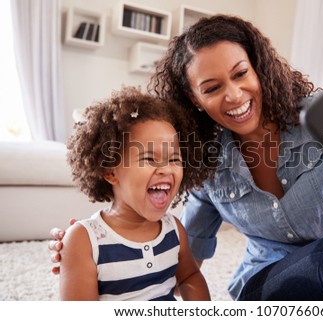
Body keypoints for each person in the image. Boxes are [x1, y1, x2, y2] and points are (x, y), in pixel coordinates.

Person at [51, 15, 323, 300]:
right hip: (267, 288)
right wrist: (90, 247)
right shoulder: (207, 160)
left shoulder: (322, 117)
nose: (234, 95)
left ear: (257, 69)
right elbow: (182, 250)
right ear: (195, 99)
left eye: (241, 74)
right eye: (212, 87)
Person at [59, 86, 210, 301]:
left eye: (174, 159)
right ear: (110, 171)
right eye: (149, 158)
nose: (167, 169)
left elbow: (189, 277)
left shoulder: (174, 230)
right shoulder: (85, 240)